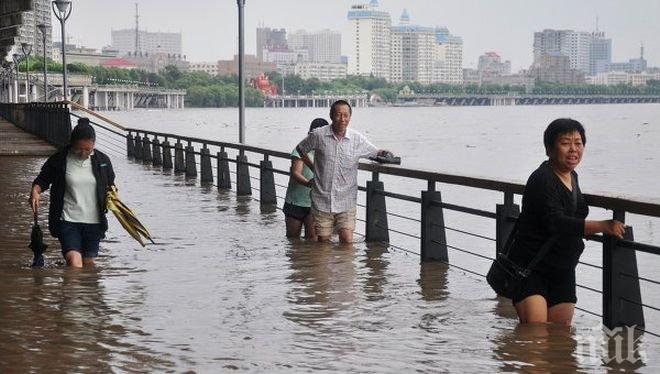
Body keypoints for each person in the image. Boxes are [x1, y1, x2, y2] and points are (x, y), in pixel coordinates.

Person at [508, 118, 626, 325]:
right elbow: (556, 222)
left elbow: (573, 216)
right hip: (532, 268)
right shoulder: (542, 178)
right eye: (565, 143)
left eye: (578, 143)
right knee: (535, 337)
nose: (573, 149)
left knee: (560, 339)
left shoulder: (573, 177)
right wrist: (602, 226)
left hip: (563, 270)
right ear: (549, 149)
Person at [296, 100, 389, 243]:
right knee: (323, 243)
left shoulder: (356, 139)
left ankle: (344, 266)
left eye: (346, 115)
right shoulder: (318, 135)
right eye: (338, 115)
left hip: (346, 199)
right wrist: (313, 167)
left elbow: (374, 152)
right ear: (331, 116)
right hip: (322, 198)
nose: (342, 119)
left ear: (350, 117)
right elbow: (301, 149)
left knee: (347, 241)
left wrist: (384, 153)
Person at [29, 118, 116, 268]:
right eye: (78, 149)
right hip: (67, 220)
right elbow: (42, 180)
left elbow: (111, 186)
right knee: (75, 262)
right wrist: (35, 191)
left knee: (88, 264)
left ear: (94, 144)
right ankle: (70, 291)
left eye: (87, 149)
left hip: (94, 222)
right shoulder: (59, 159)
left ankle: (84, 292)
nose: (83, 153)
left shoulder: (103, 161)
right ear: (71, 143)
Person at [283, 118, 328, 239]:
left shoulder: (327, 153)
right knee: (293, 240)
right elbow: (295, 173)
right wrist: (309, 184)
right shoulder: (301, 149)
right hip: (295, 201)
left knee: (312, 243)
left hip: (315, 204)